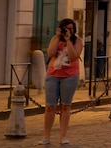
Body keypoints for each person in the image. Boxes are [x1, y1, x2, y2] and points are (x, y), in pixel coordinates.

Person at [40, 17, 83, 145]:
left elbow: (73, 55)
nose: (68, 31)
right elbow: (50, 53)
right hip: (53, 74)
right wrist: (58, 37)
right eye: (66, 28)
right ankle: (46, 136)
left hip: (70, 76)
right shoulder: (55, 39)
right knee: (50, 106)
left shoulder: (78, 40)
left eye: (71, 28)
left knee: (65, 106)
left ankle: (63, 136)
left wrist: (69, 40)